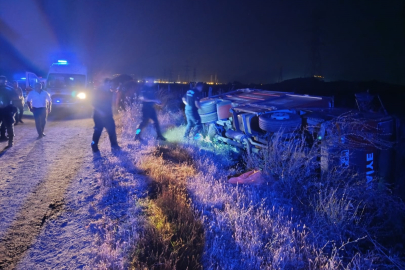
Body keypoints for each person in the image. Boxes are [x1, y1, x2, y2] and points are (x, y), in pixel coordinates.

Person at [91, 78, 120, 152]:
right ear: (103, 84)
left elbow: (113, 103)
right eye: (108, 84)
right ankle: (94, 145)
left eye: (110, 84)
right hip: (98, 116)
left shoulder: (110, 93)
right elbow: (93, 104)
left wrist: (115, 94)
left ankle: (114, 146)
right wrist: (100, 112)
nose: (109, 85)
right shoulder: (97, 92)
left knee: (112, 130)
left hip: (108, 115)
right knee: (98, 131)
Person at [0, 75, 17, 148]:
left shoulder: (10, 89)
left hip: (8, 110)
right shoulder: (10, 89)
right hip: (5, 110)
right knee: (10, 126)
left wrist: (13, 109)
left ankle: (11, 141)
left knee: (10, 126)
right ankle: (10, 141)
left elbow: (16, 98)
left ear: (5, 81)